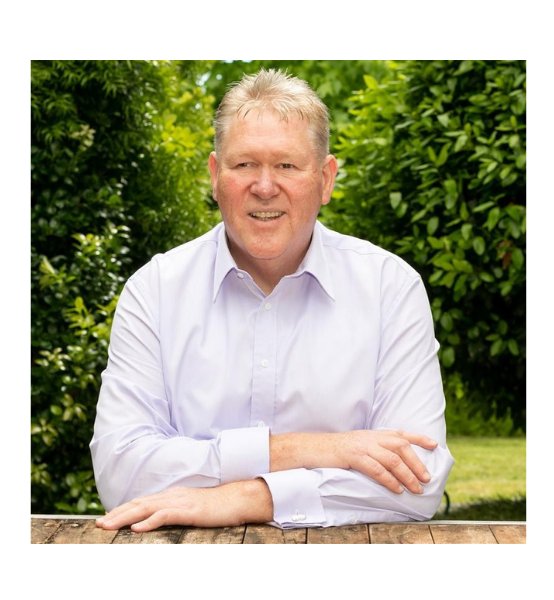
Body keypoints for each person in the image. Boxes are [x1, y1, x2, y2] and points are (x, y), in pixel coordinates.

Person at [90, 69, 454, 532]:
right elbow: (122, 471)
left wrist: (246, 498)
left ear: (325, 179)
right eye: (244, 165)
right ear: (215, 175)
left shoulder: (390, 288)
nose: (264, 186)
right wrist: (309, 450)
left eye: (287, 165)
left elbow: (417, 479)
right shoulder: (154, 291)